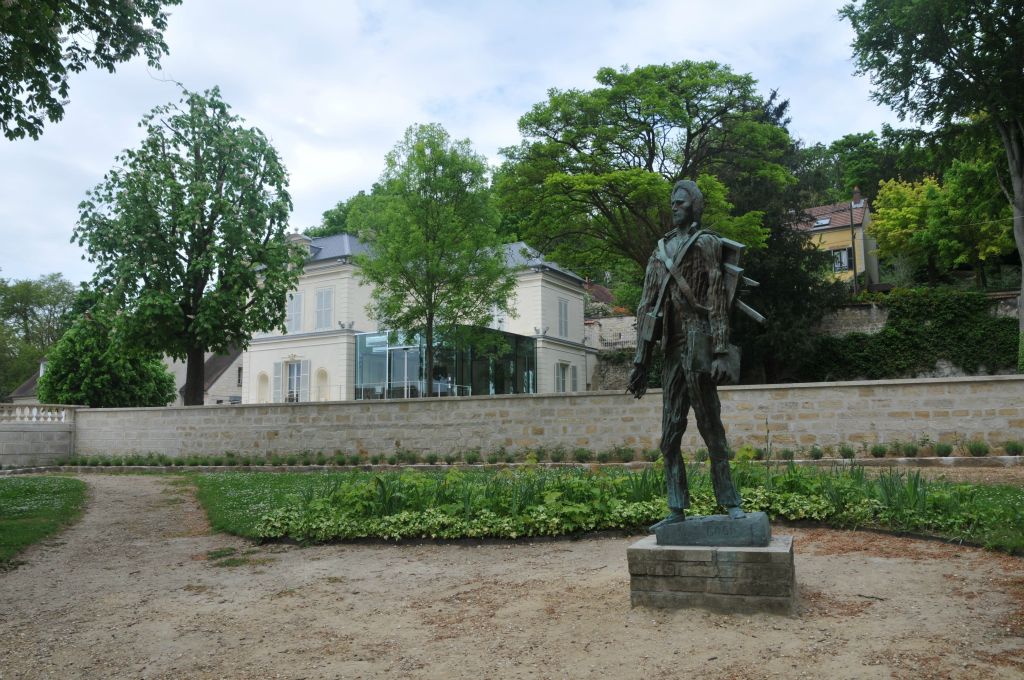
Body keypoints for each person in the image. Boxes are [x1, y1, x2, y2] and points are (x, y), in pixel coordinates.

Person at [627, 179, 746, 528]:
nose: (674, 207)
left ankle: (730, 502)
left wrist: (721, 351)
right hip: (671, 350)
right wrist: (639, 363)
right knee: (669, 434)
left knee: (711, 428)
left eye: (680, 202)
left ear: (693, 206)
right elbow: (645, 306)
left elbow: (716, 298)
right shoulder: (658, 251)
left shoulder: (705, 242)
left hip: (699, 344)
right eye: (672, 203)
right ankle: (676, 507)